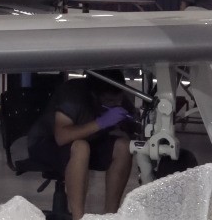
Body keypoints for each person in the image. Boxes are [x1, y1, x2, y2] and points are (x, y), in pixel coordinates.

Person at [27, 71, 135, 219]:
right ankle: (78, 217)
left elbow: (132, 129)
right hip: (47, 142)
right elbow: (61, 137)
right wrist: (100, 123)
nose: (116, 104)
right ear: (94, 95)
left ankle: (111, 215)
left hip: (89, 141)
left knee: (123, 147)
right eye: (110, 100)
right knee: (81, 147)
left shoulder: (118, 97)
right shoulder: (72, 95)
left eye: (119, 100)